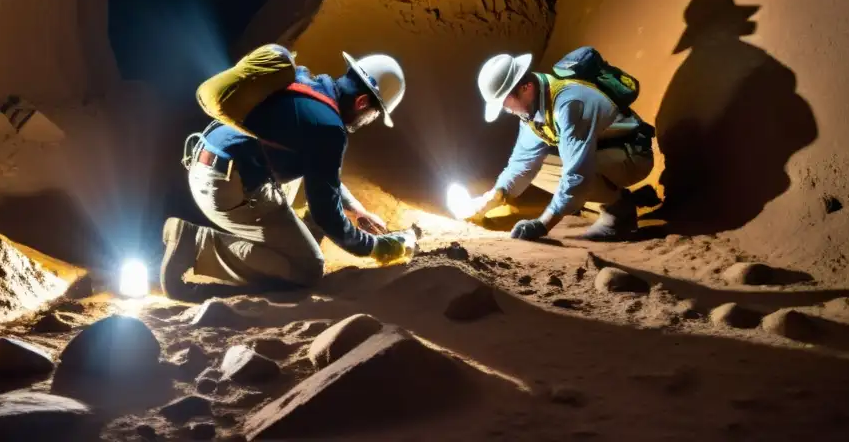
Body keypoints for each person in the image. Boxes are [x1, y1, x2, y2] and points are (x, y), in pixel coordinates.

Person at [160, 51, 416, 297]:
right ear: (362, 102)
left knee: (306, 181)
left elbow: (321, 172)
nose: (370, 120)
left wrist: (357, 209)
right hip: (225, 187)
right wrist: (377, 247)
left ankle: (285, 234)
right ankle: (196, 243)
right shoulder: (329, 129)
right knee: (308, 269)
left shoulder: (303, 80)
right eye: (374, 114)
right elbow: (328, 218)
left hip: (206, 162)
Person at [462, 52, 655, 241]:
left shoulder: (569, 104)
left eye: (505, 103)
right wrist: (495, 196)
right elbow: (521, 164)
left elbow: (577, 173)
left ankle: (618, 210)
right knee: (540, 167)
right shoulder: (533, 110)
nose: (507, 110)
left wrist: (542, 224)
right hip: (603, 151)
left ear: (525, 88)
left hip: (634, 155)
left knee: (575, 172)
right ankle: (614, 200)